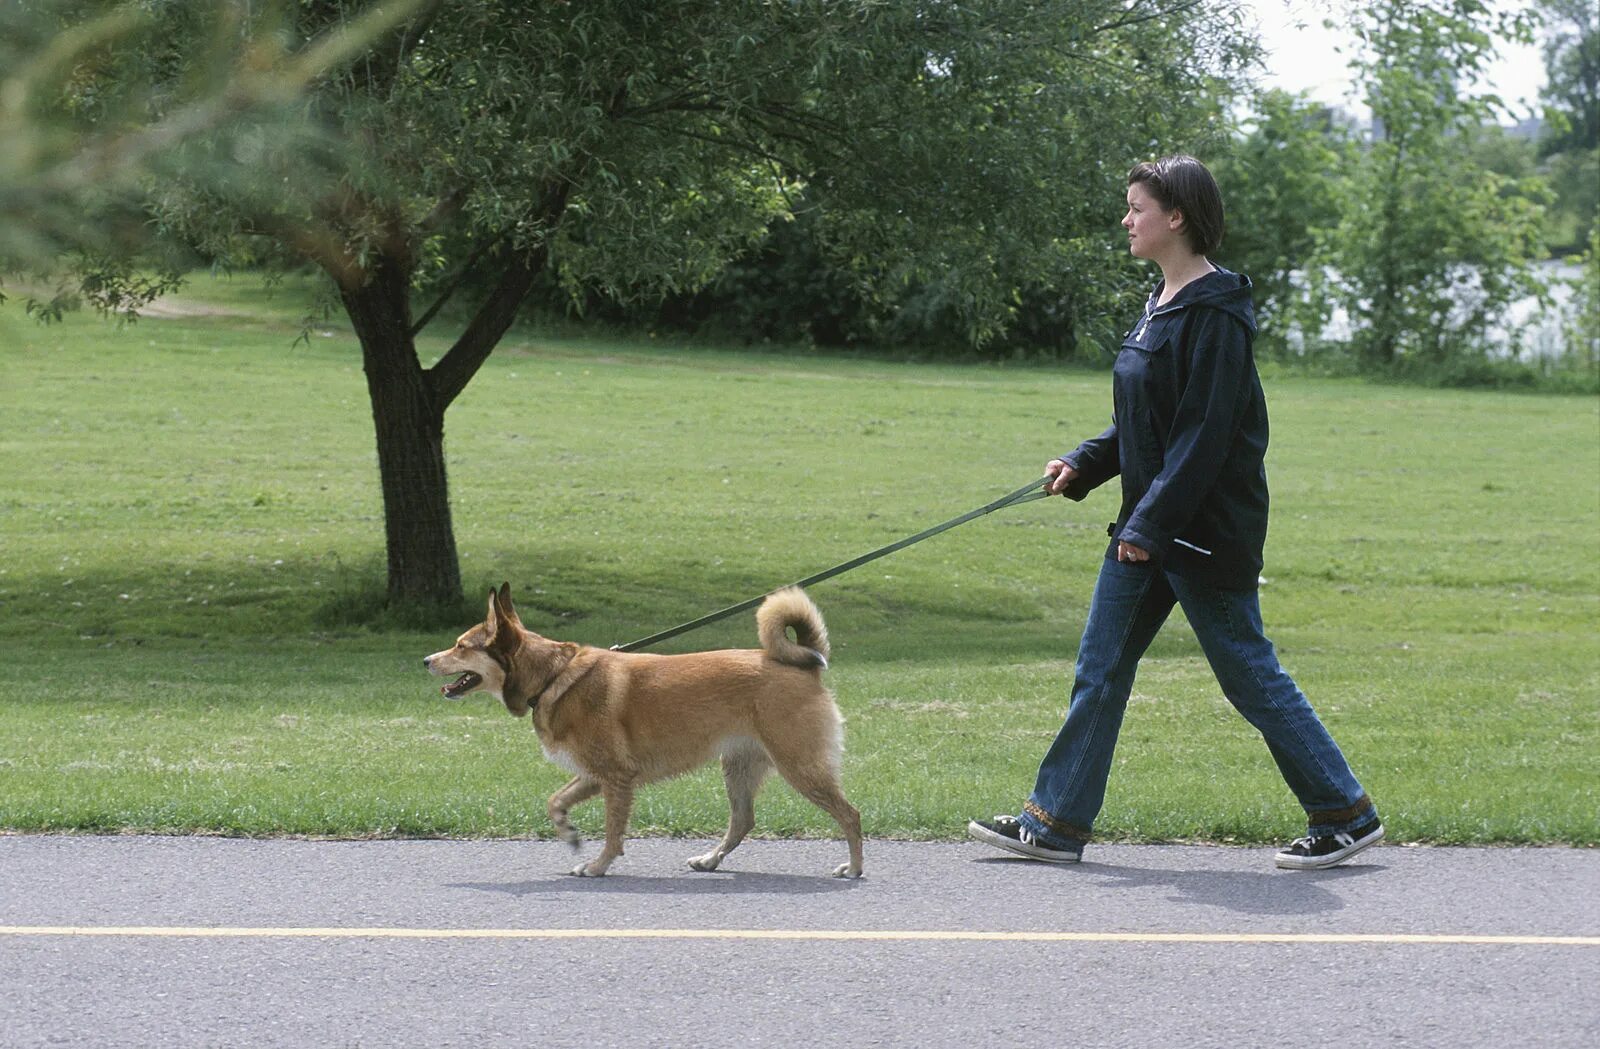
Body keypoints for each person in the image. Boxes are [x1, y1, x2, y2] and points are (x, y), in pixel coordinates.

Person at [968, 155, 1382, 871]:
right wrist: (1086, 462)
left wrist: (1148, 527)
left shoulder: (1215, 312)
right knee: (1099, 668)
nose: (1126, 220)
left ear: (1178, 216)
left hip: (1200, 532)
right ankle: (1056, 820)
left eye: (1137, 207)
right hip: (1150, 527)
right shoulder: (1162, 302)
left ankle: (1345, 812)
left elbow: (1204, 434)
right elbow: (1146, 419)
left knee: (1248, 674)